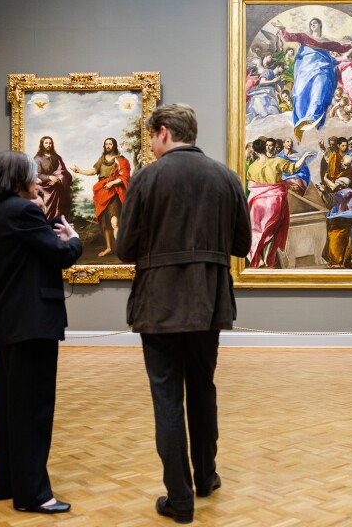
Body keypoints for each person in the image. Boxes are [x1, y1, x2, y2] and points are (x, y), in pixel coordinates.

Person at [116, 104, 251, 525]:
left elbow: (125, 249)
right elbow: (243, 245)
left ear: (161, 133)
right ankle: (206, 477)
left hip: (159, 302)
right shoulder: (226, 177)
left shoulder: (147, 178)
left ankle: (179, 498)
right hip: (208, 302)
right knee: (202, 388)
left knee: (167, 397)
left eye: (151, 137)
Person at [0, 150, 82, 514]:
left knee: (11, 409)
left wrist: (39, 208)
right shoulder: (23, 211)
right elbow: (60, 255)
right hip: (33, 322)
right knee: (33, 411)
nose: (39, 180)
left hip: (10, 321)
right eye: (32, 175)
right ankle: (35, 495)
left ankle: (9, 484)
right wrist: (73, 239)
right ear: (15, 179)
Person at [245, 138, 315, 268]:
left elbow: (252, 184)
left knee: (257, 232)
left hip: (256, 203)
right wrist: (304, 156)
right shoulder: (278, 161)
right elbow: (294, 168)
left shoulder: (252, 166)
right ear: (265, 148)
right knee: (271, 232)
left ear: (255, 151)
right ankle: (266, 259)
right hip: (274, 201)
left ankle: (259, 258)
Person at [71, 137, 130, 257]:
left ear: (114, 145)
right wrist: (79, 171)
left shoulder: (120, 159)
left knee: (115, 222)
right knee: (104, 223)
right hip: (102, 192)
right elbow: (93, 171)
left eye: (110, 144)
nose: (108, 146)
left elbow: (125, 176)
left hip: (114, 192)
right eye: (106, 144)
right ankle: (109, 248)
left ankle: (120, 249)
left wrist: (112, 183)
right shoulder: (102, 159)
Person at [33, 136, 72, 220]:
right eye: (46, 143)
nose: (48, 145)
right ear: (42, 145)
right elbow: (37, 174)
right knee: (45, 212)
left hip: (58, 187)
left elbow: (63, 171)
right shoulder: (37, 159)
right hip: (45, 188)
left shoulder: (57, 158)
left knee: (60, 211)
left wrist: (57, 179)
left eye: (50, 143)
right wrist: (49, 177)